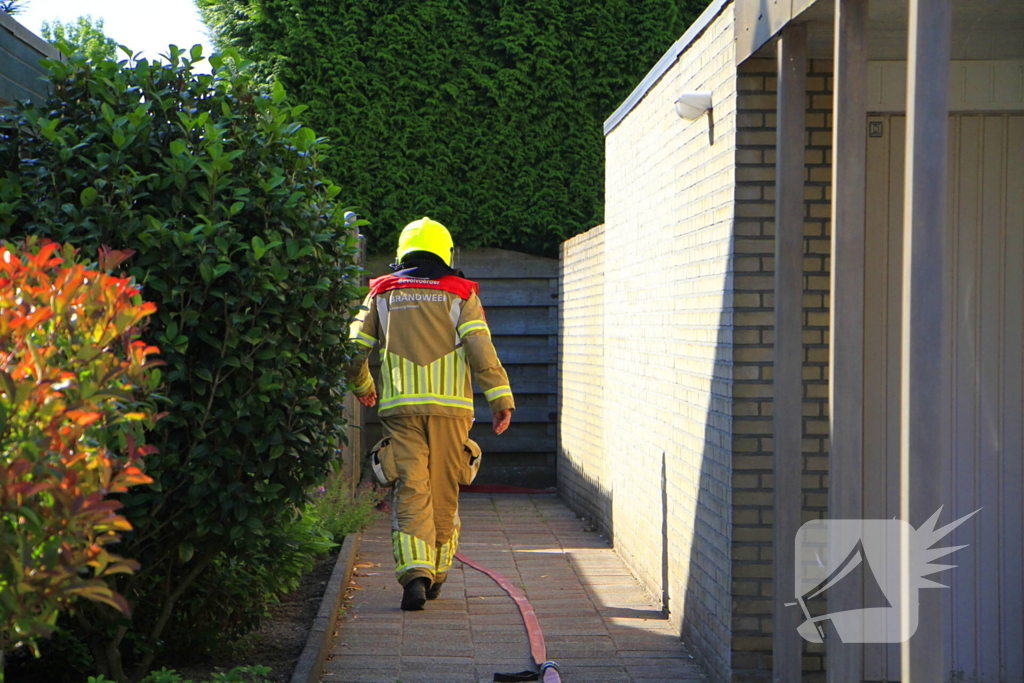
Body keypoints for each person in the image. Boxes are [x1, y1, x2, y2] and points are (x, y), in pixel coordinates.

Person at [346, 216, 514, 610]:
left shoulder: (382, 293)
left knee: (411, 488)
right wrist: (500, 398)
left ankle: (415, 577)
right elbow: (480, 350)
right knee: (444, 492)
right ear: (446, 252)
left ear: (403, 252)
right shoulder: (461, 294)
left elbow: (353, 350)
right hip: (452, 413)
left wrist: (363, 387)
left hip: (401, 410)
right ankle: (435, 576)